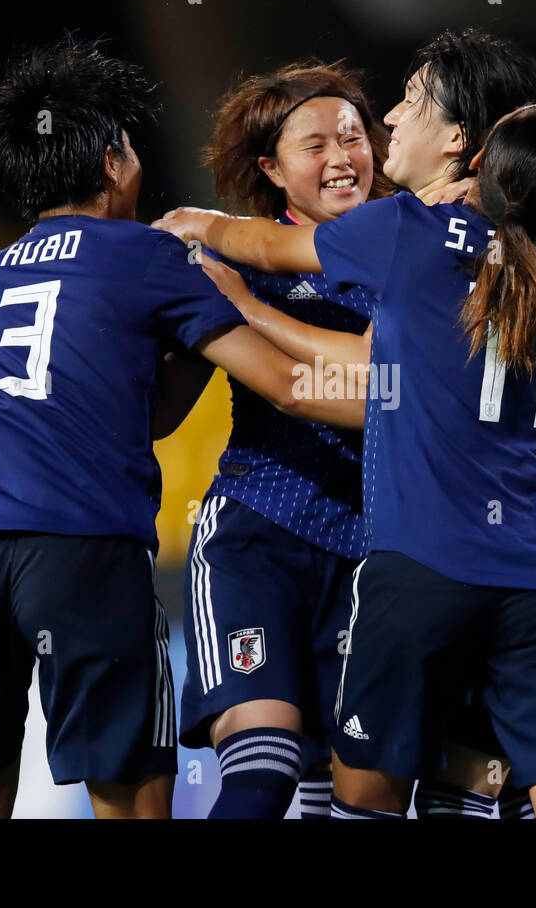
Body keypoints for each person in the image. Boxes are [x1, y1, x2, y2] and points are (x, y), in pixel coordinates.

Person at [0, 36, 362, 819]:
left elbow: (140, 411)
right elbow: (289, 386)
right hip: (81, 553)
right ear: (115, 162)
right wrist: (417, 397)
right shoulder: (150, 256)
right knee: (133, 803)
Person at [158, 99, 536, 819]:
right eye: (319, 142)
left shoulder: (404, 232)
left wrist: (208, 249)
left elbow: (326, 345)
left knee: (361, 791)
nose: (381, 127)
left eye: (398, 110)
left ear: (472, 156)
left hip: (419, 560)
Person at [178, 61, 391, 819]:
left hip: (377, 553)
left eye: (354, 137)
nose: (342, 157)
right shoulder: (228, 257)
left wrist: (250, 313)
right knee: (262, 772)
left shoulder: (415, 251)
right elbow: (163, 405)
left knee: (346, 794)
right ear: (270, 167)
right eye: (316, 144)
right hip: (257, 535)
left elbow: (382, 399)